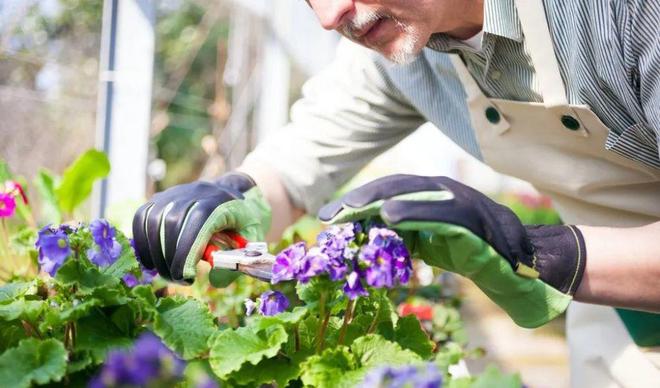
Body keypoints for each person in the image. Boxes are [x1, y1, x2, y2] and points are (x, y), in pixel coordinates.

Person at [132, 0, 660, 386]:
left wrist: (536, 255)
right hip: (614, 324)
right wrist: (231, 199)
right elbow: (291, 172)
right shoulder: (403, 53)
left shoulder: (625, 15)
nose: (330, 15)